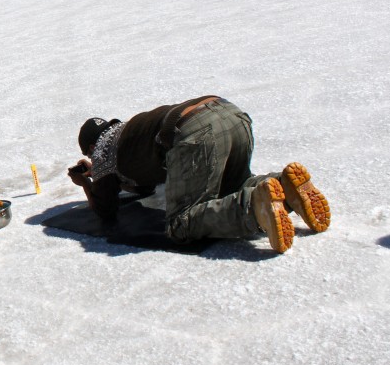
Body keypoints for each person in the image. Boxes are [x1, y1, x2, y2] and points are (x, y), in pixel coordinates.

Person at [67, 96, 330, 253]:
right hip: (229, 113)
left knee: (181, 223)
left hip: (192, 131)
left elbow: (105, 210)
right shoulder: (127, 130)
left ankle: (253, 207)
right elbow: (144, 185)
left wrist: (86, 184)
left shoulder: (101, 150)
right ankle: (284, 186)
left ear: (91, 147)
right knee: (232, 186)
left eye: (91, 155)